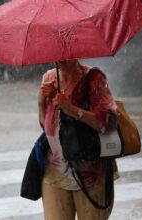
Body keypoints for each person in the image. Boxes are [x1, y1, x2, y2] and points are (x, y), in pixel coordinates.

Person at [38, 60, 118, 220]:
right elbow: (45, 125)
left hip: (89, 171)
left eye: (64, 54)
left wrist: (71, 109)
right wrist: (41, 102)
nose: (60, 59)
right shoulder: (49, 78)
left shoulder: (94, 79)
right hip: (55, 172)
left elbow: (108, 123)